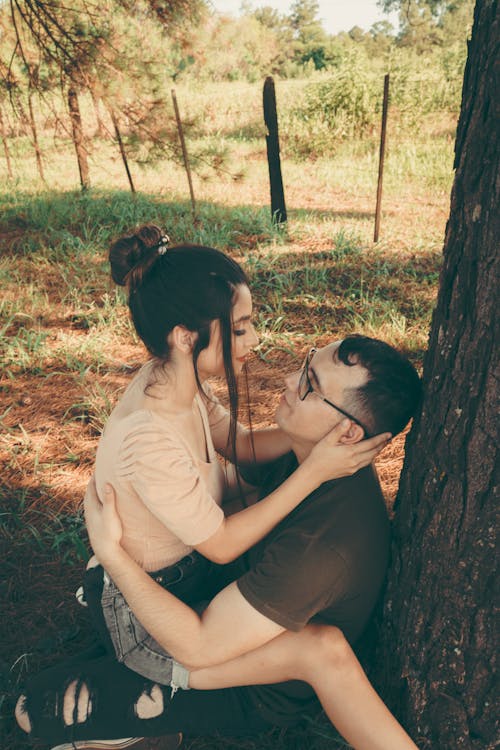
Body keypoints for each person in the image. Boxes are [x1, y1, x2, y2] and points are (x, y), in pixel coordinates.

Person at [15, 335, 422, 750]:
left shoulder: (323, 548)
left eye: (309, 384)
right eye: (304, 364)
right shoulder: (313, 456)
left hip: (248, 680)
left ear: (349, 433)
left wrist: (112, 554)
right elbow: (232, 489)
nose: (286, 379)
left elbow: (197, 647)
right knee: (101, 641)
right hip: (225, 604)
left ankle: (149, 727)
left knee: (35, 709)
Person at [77, 225, 388, 684]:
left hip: (185, 576)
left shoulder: (178, 384)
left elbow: (240, 444)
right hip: (144, 609)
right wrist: (315, 472)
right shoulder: (149, 435)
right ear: (185, 337)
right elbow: (221, 545)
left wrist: (315, 430)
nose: (255, 340)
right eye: (240, 329)